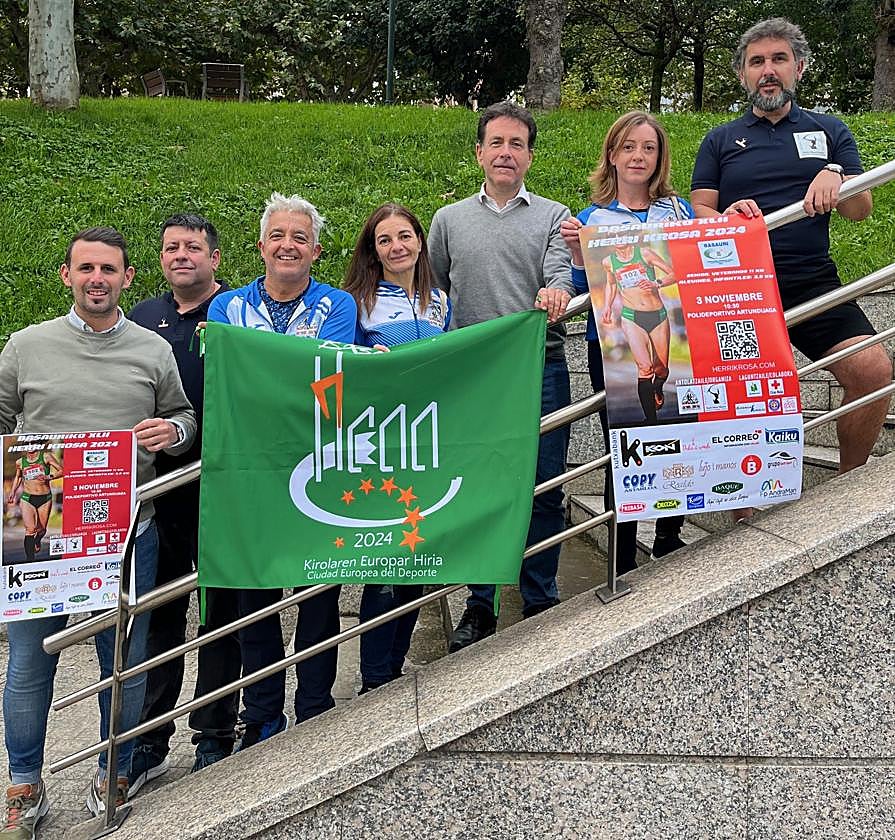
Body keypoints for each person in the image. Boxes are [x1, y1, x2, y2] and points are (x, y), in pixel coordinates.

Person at [0, 227, 196, 835]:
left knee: (124, 658)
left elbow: (182, 415)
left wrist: (173, 433)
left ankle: (115, 769)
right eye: (86, 268)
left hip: (128, 526)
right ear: (66, 275)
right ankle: (24, 784)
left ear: (127, 278)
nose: (97, 279)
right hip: (40, 527)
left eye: (109, 269)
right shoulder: (26, 346)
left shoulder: (152, 349)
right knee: (29, 659)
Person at [691, 17, 891, 480]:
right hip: (740, 290)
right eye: (757, 61)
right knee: (743, 403)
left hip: (811, 280)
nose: (768, 70)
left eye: (779, 59)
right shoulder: (720, 139)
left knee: (873, 372)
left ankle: (847, 484)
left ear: (798, 67)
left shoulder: (830, 130)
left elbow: (860, 210)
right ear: (742, 73)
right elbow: (699, 208)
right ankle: (745, 510)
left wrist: (836, 175)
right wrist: (723, 217)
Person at [207, 192, 357, 746]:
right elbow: (234, 378)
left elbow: (326, 376)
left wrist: (266, 369)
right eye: (278, 235)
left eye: (300, 237)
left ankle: (315, 706)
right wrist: (289, 371)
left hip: (320, 466)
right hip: (250, 472)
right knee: (255, 599)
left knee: (319, 595)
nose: (287, 245)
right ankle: (263, 714)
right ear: (261, 246)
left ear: (315, 251)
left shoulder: (338, 304)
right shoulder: (226, 308)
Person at [428, 101, 574, 651]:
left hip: (540, 367)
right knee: (480, 488)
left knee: (544, 486)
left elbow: (560, 275)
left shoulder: (554, 216)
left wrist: (557, 291)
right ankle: (480, 603)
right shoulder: (448, 220)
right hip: (473, 375)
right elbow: (434, 292)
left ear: (529, 156)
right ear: (479, 153)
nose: (506, 153)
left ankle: (539, 597)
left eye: (517, 144)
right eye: (497, 143)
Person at [126, 214, 241, 792]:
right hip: (159, 489)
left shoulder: (236, 312)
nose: (181, 256)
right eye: (171, 247)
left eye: (193, 247)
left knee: (222, 611)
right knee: (159, 614)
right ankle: (149, 739)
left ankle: (215, 732)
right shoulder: (142, 316)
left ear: (214, 259)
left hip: (224, 486)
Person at [560, 111, 692, 569]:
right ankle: (621, 552)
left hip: (672, 325)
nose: (639, 156)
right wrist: (578, 253)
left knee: (675, 429)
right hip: (611, 341)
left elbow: (692, 267)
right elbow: (582, 289)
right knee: (624, 442)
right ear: (612, 155)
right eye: (629, 147)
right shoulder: (590, 219)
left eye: (649, 148)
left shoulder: (677, 211)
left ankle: (669, 534)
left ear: (660, 158)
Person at [343, 202, 451, 692]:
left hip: (427, 442)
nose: (396, 247)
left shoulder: (440, 301)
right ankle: (374, 677)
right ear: (373, 250)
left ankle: (395, 665)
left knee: (415, 558)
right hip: (382, 444)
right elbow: (341, 365)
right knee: (385, 560)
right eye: (384, 240)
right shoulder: (356, 303)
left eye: (404, 236)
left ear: (420, 241)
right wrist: (369, 358)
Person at [5, 447, 63, 563]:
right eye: (27, 444)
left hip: (44, 498)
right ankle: (30, 560)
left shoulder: (46, 457)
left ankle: (37, 540)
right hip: (27, 498)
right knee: (30, 529)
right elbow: (18, 476)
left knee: (41, 530)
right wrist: (12, 492)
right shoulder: (20, 462)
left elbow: (62, 471)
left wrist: (48, 477)